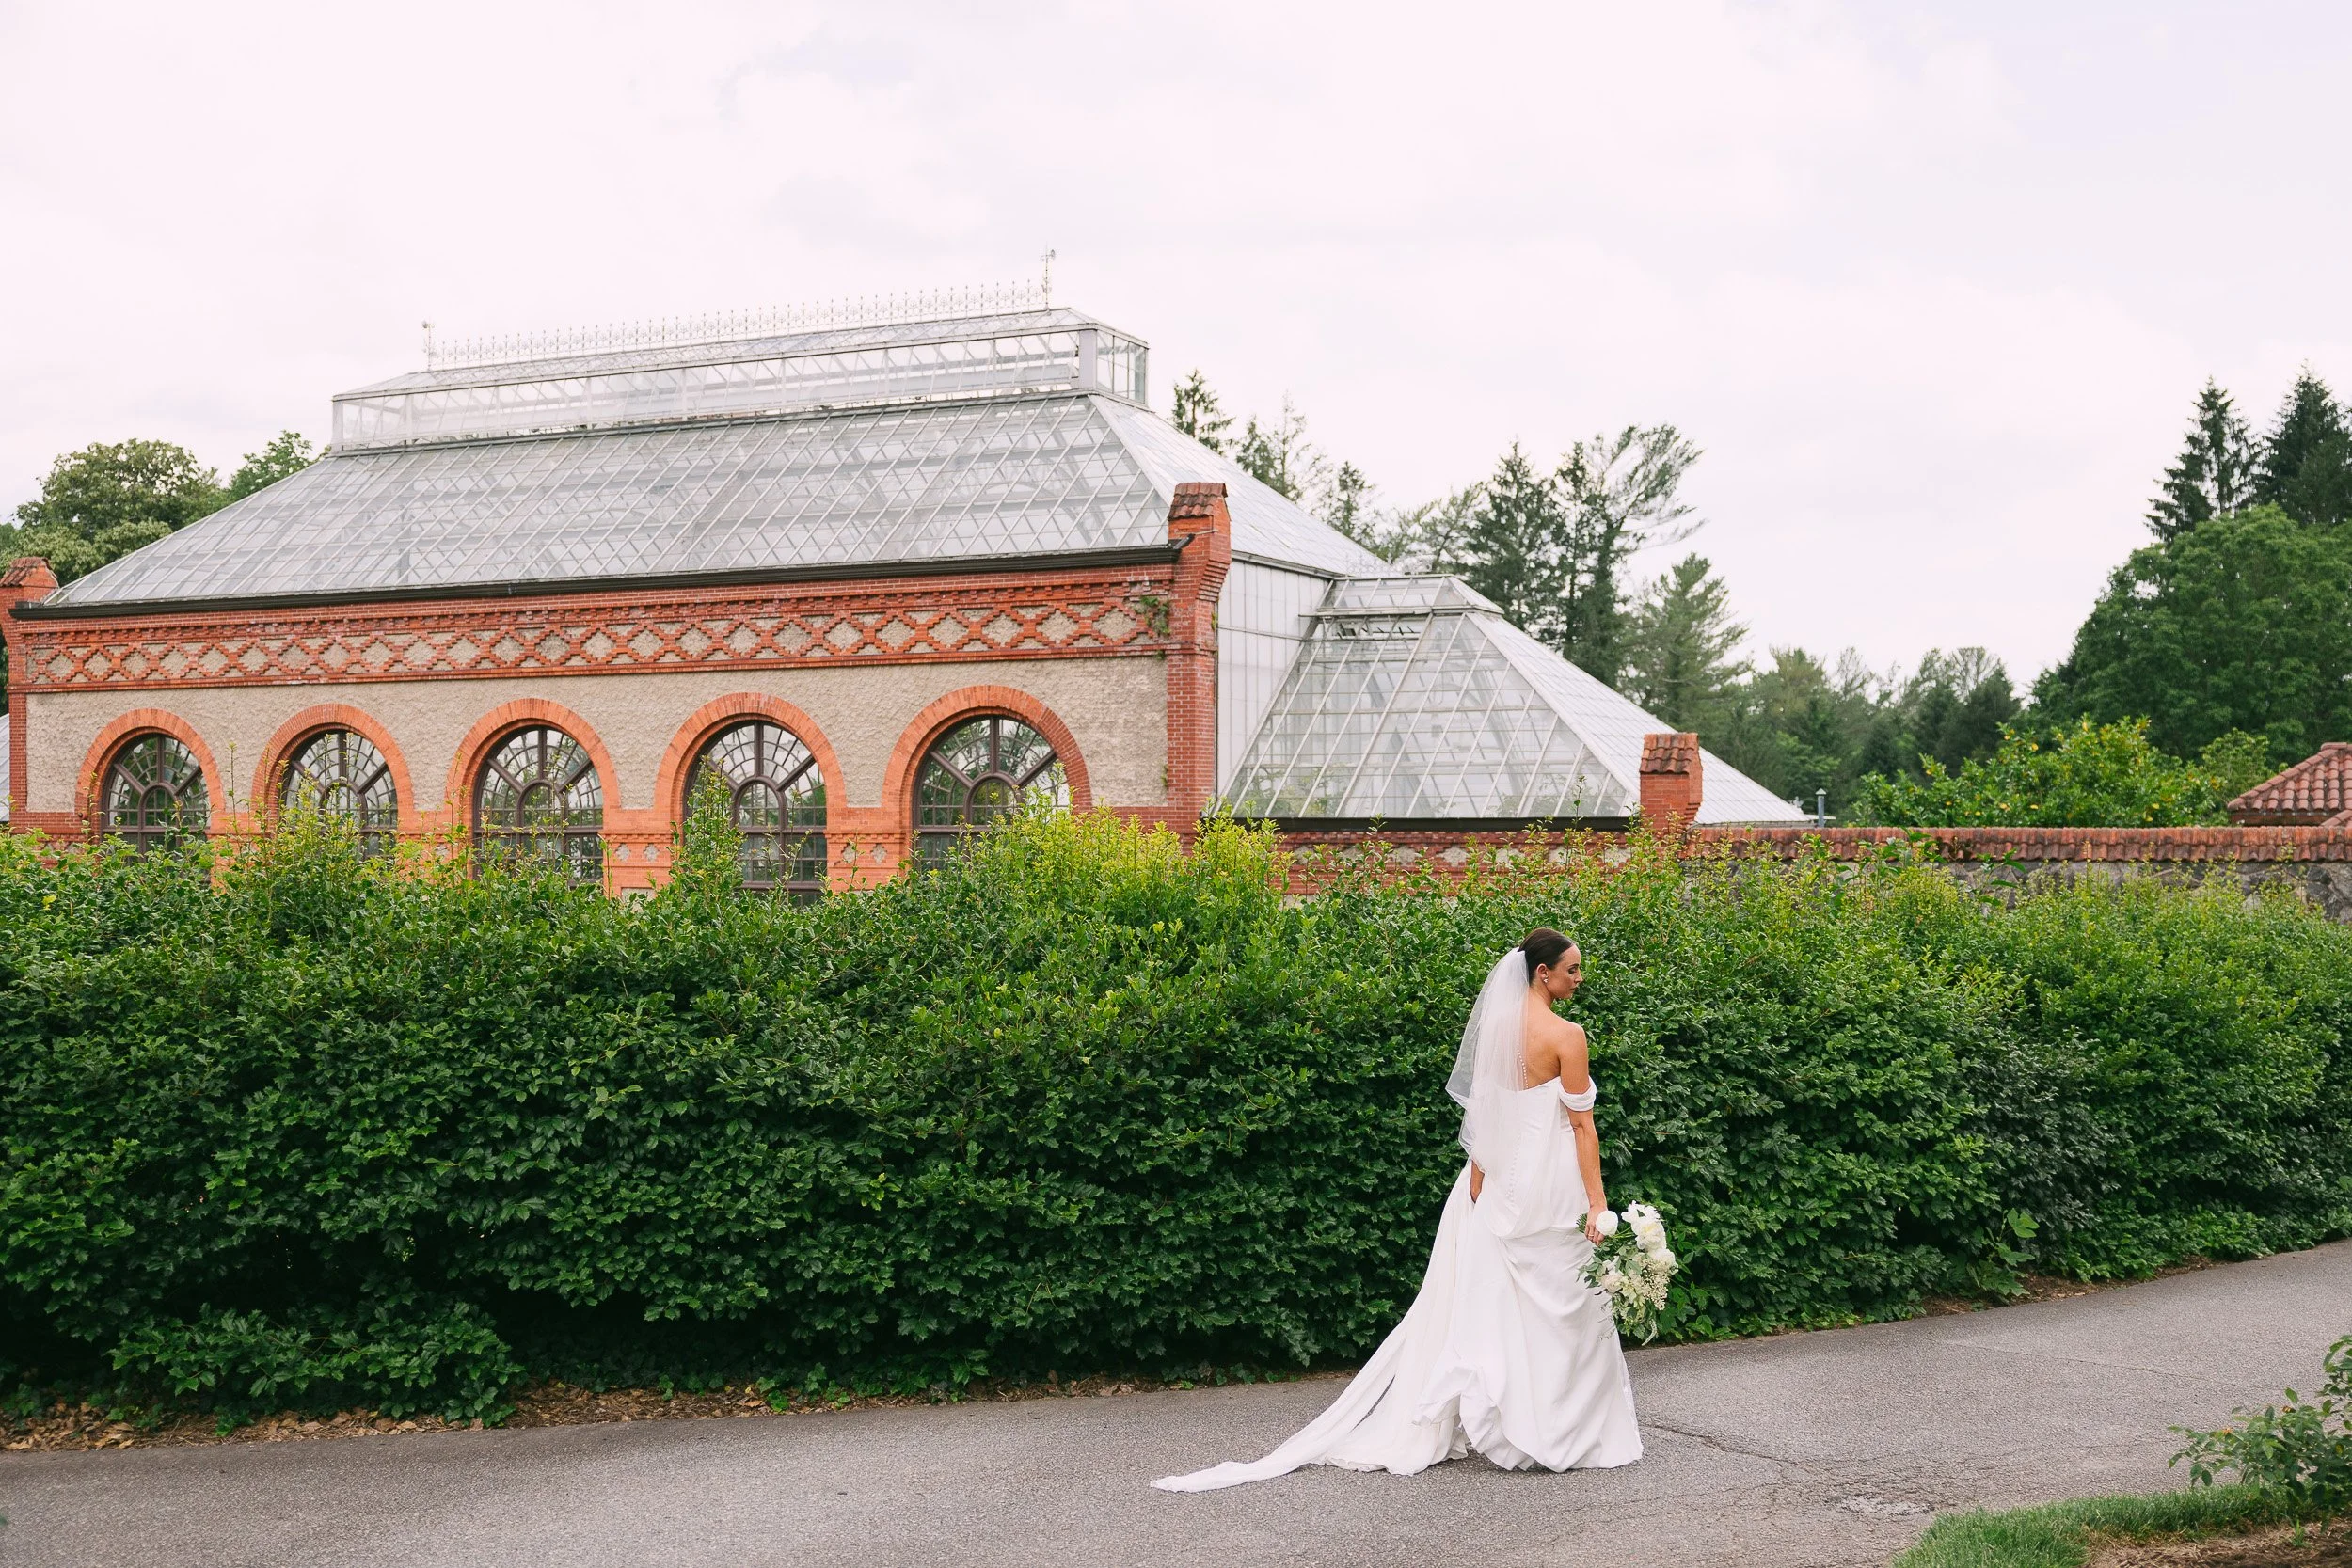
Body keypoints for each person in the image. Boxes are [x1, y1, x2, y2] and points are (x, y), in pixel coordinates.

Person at [1152, 928, 1642, 1490]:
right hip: (1550, 1180)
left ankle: (1511, 1417)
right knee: (1563, 1298)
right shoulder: (1568, 1036)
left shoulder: (1501, 1031)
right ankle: (1561, 1427)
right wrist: (1598, 1201)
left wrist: (1480, 1176)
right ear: (1542, 973)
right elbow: (1582, 1123)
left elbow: (1486, 1109)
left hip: (1499, 1179)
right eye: (1572, 970)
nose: (1579, 979)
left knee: (1495, 1300)